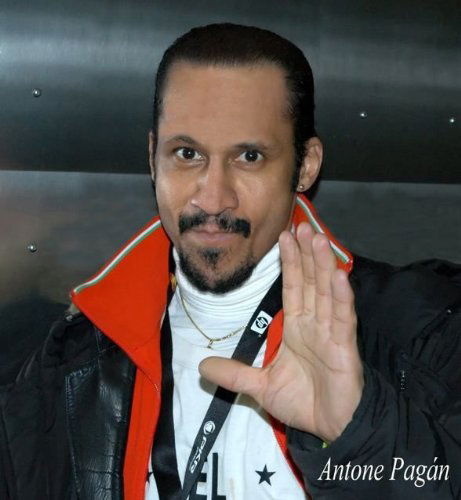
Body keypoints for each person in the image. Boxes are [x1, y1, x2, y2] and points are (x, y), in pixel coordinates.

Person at [0, 23, 460, 500]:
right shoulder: (66, 361)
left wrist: (359, 431)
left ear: (305, 165)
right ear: (153, 158)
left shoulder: (426, 332)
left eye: (249, 156)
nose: (214, 198)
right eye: (187, 153)